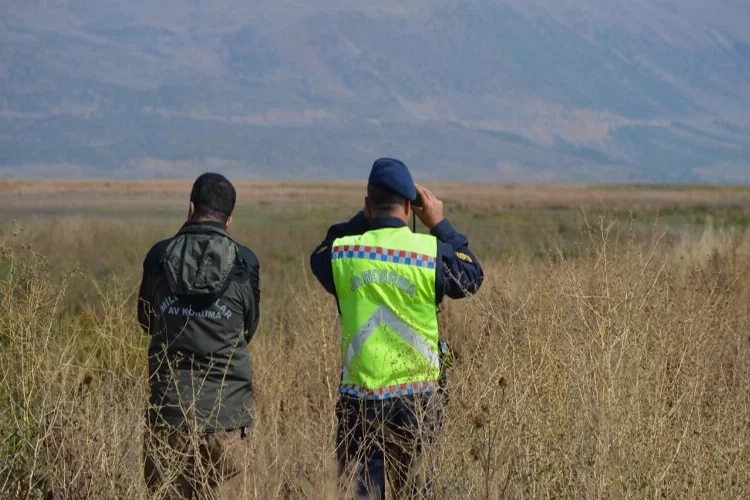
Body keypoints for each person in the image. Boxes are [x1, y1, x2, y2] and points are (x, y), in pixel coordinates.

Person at [310, 158, 484, 499]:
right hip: (417, 399)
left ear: (367, 206)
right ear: (410, 207)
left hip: (360, 400)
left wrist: (367, 217)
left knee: (361, 493)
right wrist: (440, 224)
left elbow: (323, 250)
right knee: (417, 491)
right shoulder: (431, 253)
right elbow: (472, 276)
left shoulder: (343, 253)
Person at [137, 173, 260, 500]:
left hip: (169, 413)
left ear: (190, 208)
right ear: (229, 220)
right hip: (228, 419)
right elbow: (247, 330)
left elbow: (146, 320)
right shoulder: (244, 264)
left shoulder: (158, 258)